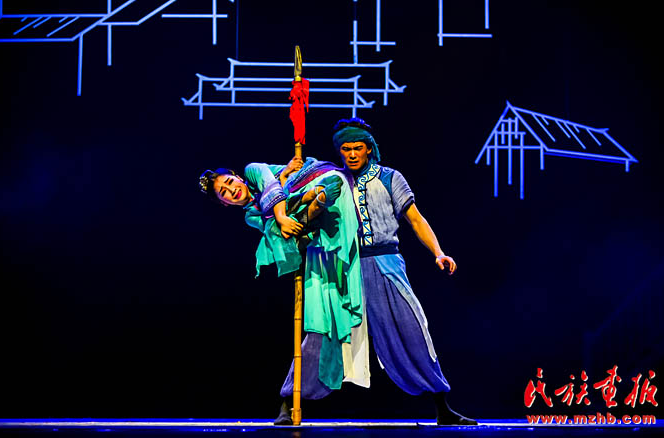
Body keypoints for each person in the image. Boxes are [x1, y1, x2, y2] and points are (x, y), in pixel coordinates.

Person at [199, 156, 370, 424]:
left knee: (277, 223)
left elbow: (270, 187)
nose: (232, 190)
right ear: (224, 203)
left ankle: (312, 199)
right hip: (313, 235)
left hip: (326, 188)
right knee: (319, 319)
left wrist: (280, 212)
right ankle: (290, 399)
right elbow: (277, 227)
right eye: (225, 193)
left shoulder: (253, 170)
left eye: (230, 182)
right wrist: (282, 214)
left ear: (238, 177)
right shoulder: (251, 216)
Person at [332, 117, 477, 426]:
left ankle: (442, 406)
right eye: (346, 149)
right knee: (325, 335)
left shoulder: (390, 177)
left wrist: (438, 252)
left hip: (386, 262)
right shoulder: (334, 182)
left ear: (369, 148)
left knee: (412, 328)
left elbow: (416, 219)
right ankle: (290, 401)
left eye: (358, 148)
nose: (352, 154)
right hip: (348, 267)